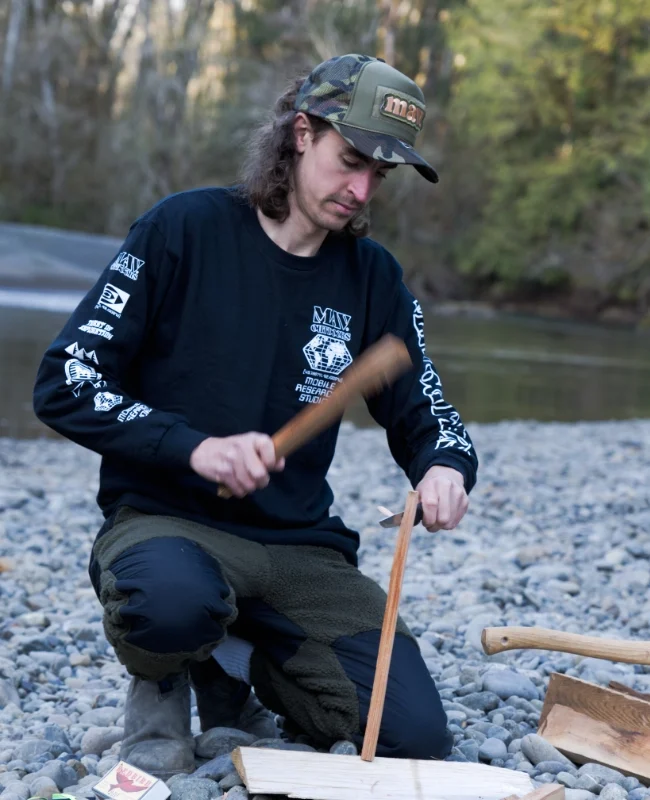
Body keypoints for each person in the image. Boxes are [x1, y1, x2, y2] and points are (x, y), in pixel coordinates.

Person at [33, 54, 478, 779]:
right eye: (350, 161)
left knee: (410, 735)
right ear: (302, 132)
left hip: (299, 548)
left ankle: (232, 662)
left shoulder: (372, 278)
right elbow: (65, 379)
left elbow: (426, 407)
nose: (360, 190)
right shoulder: (184, 229)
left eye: (379, 176)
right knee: (167, 605)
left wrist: (443, 466)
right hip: (167, 520)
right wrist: (193, 448)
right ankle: (166, 671)